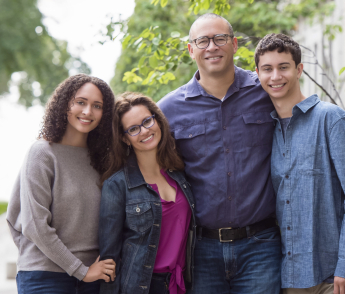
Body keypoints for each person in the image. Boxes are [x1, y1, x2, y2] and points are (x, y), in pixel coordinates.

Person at [158, 13, 281, 294]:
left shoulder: (265, 91)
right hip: (202, 251)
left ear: (235, 44)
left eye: (220, 38)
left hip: (261, 246)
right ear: (191, 49)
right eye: (202, 41)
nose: (211, 47)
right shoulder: (168, 110)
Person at [254, 33, 345, 294]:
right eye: (267, 69)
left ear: (299, 69)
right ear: (258, 74)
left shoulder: (331, 119)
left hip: (338, 278)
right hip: (292, 277)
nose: (275, 76)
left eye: (283, 67)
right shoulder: (268, 131)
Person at [6, 74, 117, 293]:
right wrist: (80, 270)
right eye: (80, 102)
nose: (87, 112)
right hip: (45, 277)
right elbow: (34, 225)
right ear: (65, 103)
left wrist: (90, 271)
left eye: (97, 106)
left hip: (92, 278)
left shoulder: (103, 161)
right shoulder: (42, 153)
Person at [99, 92, 196, 294]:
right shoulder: (117, 185)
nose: (144, 131)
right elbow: (109, 260)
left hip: (180, 285)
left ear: (157, 120)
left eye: (147, 121)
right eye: (134, 129)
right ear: (125, 139)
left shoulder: (179, 174)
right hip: (141, 287)